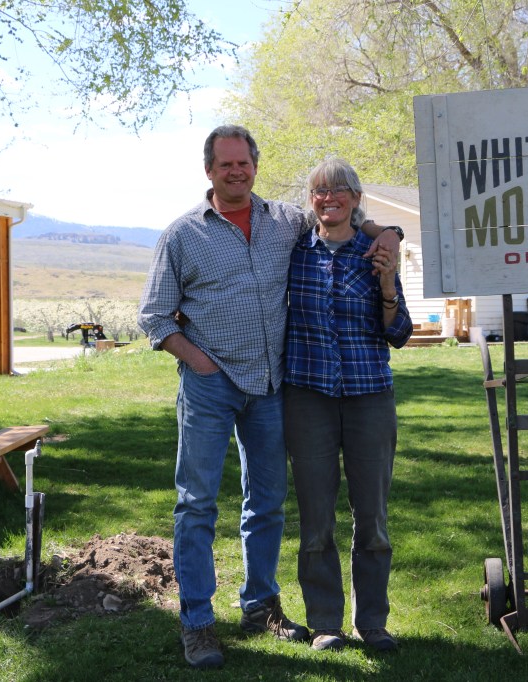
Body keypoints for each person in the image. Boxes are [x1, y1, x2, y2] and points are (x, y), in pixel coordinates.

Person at [138, 126, 400, 669]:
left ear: (255, 166)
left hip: (272, 385)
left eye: (244, 162)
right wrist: (199, 361)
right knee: (197, 503)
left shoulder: (286, 222)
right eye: (225, 164)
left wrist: (391, 231)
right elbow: (154, 317)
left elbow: (342, 217)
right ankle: (198, 621)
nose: (236, 171)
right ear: (208, 170)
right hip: (210, 385)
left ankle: (260, 605)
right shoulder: (182, 234)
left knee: (267, 503)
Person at [283, 158, 412, 653]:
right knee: (316, 518)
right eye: (319, 190)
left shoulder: (376, 251)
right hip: (308, 396)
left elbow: (398, 335)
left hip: (369, 398)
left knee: (372, 517)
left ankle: (372, 622)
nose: (328, 197)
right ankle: (325, 623)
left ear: (357, 198)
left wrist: (385, 285)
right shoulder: (295, 251)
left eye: (339, 190)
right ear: (311, 200)